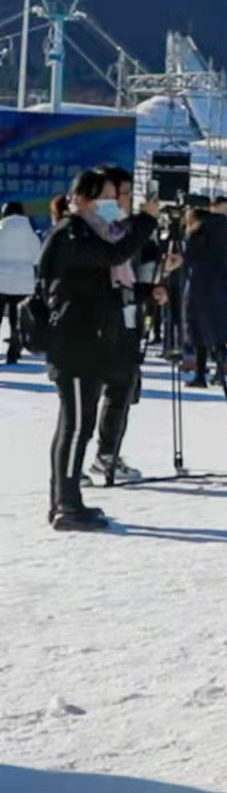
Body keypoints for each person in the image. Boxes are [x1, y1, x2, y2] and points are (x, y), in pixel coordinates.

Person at [36, 169, 155, 529]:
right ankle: (67, 506)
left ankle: (66, 501)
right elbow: (112, 256)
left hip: (88, 339)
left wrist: (145, 292)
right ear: (83, 199)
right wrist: (146, 221)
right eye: (105, 196)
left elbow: (103, 280)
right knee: (76, 427)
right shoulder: (72, 232)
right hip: (74, 343)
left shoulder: (88, 231)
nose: (111, 203)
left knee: (77, 425)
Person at [86, 165, 156, 484]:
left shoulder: (123, 227)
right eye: (121, 193)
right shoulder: (97, 227)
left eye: (128, 193)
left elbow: (130, 267)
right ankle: (76, 462)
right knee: (89, 395)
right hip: (97, 320)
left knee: (122, 387)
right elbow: (113, 260)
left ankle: (107, 454)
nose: (127, 199)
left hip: (125, 314)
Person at [180, 204, 227, 387]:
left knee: (198, 333)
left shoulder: (198, 232)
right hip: (221, 289)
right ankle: (220, 370)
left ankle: (200, 374)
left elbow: (187, 256)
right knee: (216, 333)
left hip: (199, 287)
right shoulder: (221, 230)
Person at [0, 200, 38, 365]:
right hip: (23, 281)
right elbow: (37, 256)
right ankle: (13, 352)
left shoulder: (0, 229)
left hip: (1, 279)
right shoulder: (30, 232)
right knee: (16, 319)